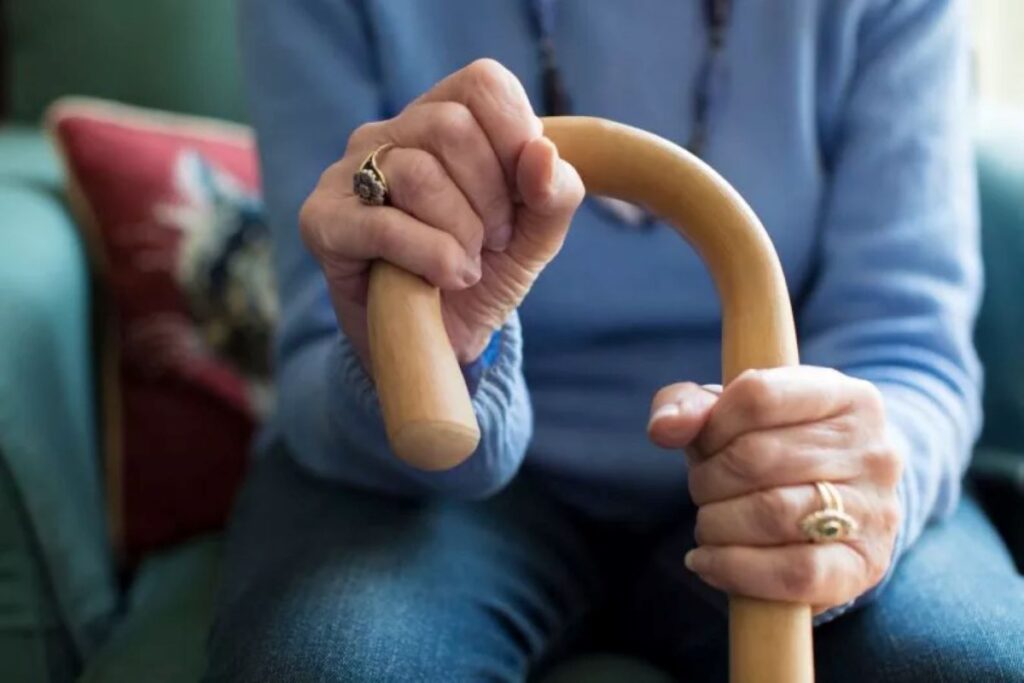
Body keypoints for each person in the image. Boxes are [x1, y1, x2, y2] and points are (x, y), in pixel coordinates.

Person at [204, 0, 1024, 681]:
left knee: (975, 665)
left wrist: (837, 483)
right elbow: (316, 349)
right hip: (437, 495)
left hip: (769, 464)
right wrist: (421, 352)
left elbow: (906, 336)